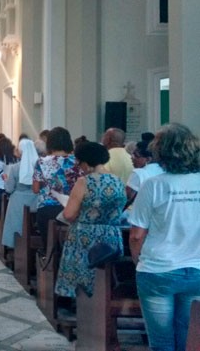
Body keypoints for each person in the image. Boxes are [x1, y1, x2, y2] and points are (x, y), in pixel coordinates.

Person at [129, 123, 200, 351]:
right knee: (187, 339)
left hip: (158, 269)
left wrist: (138, 260)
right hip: (197, 268)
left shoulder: (153, 185)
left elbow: (137, 235)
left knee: (161, 343)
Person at [55, 141, 126, 298]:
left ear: (86, 163)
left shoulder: (84, 182)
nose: (79, 167)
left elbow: (69, 214)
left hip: (85, 236)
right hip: (111, 235)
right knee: (104, 280)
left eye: (79, 163)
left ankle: (81, 307)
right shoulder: (118, 181)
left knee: (83, 276)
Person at [33, 126, 82, 247]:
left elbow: (35, 189)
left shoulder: (41, 162)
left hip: (47, 210)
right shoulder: (77, 162)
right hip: (72, 209)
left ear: (49, 143)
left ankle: (48, 257)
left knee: (49, 245)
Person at [2, 138, 39, 248]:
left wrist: (6, 180)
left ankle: (14, 247)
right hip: (35, 200)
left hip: (18, 202)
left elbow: (9, 189)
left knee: (16, 226)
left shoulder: (15, 168)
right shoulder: (39, 165)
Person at [126, 139, 163, 206]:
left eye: (136, 155)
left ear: (148, 159)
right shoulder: (164, 171)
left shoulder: (138, 173)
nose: (131, 157)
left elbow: (127, 197)